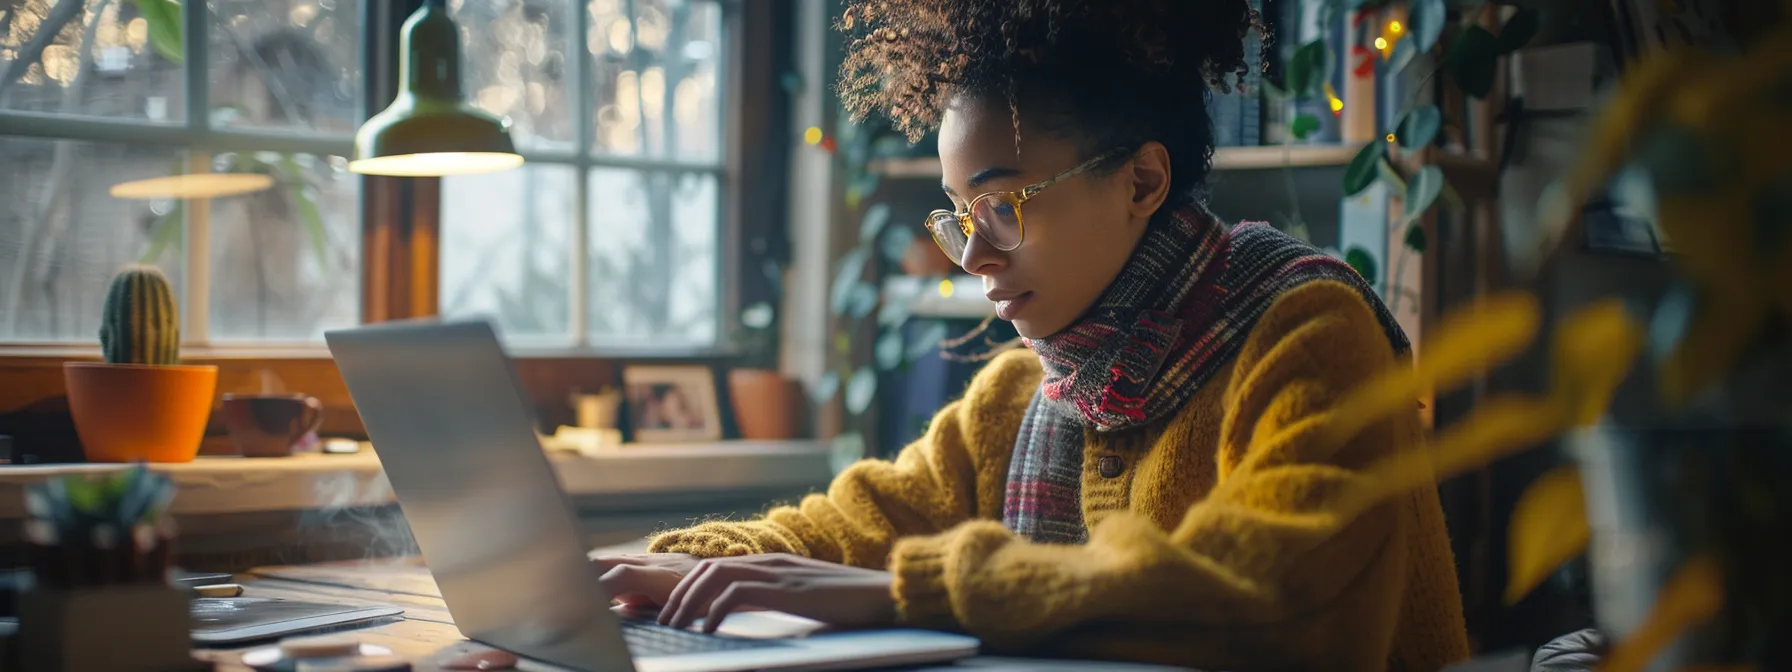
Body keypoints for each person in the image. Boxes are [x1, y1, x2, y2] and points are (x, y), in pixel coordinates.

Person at [593, 1, 1471, 669]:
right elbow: (855, 523)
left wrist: (906, 594)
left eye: (1003, 205)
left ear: (1141, 181)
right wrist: (675, 567)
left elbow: (1279, 600)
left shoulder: (1307, 334)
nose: (973, 255)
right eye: (957, 215)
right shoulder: (1023, 395)